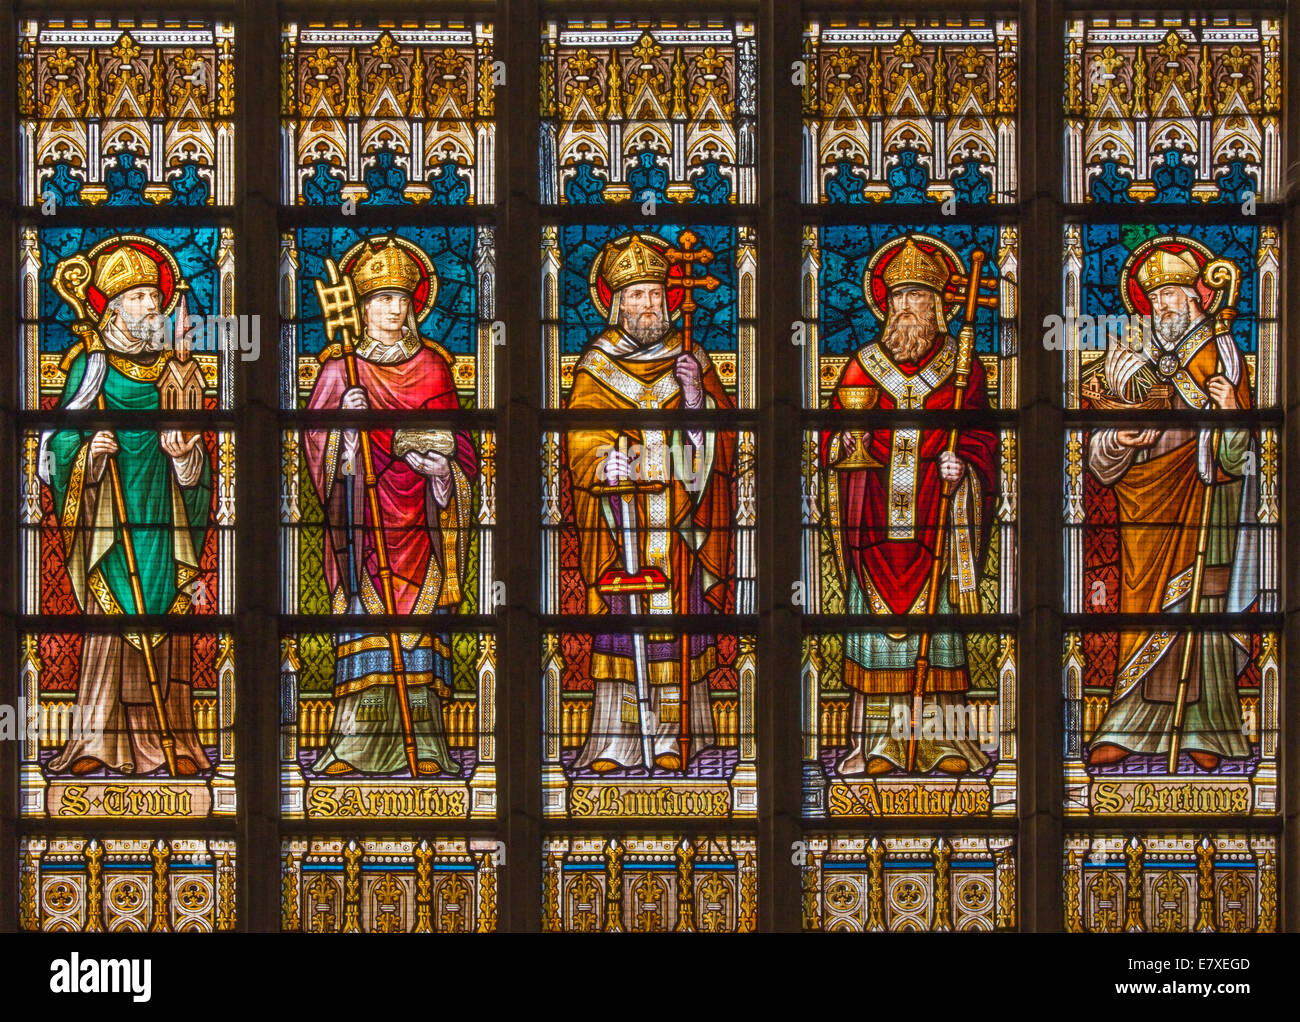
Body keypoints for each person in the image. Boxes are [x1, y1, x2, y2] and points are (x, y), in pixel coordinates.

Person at [823, 238, 998, 776]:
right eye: (897, 297)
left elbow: (984, 440)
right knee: (875, 633)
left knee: (937, 630)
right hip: (873, 521)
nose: (906, 308)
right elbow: (831, 435)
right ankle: (876, 744)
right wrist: (842, 448)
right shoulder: (863, 365)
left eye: (918, 297)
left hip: (937, 521)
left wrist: (964, 467)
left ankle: (942, 744)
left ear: (939, 305)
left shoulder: (961, 367)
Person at [303, 237, 477, 776]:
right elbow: (313, 457)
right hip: (362, 523)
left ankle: (424, 746)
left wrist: (443, 470)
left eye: (401, 298)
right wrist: (344, 432)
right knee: (364, 622)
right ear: (360, 306)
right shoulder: (340, 371)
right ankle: (354, 747)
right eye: (380, 299)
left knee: (419, 631)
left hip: (421, 519)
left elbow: (465, 451)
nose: (393, 309)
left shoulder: (433, 368)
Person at [566, 233, 737, 773]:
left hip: (680, 516)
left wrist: (694, 399)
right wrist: (600, 464)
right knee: (622, 627)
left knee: (678, 623)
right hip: (622, 522)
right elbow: (578, 439)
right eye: (636, 295)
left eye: (655, 294)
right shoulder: (597, 365)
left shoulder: (691, 358)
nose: (648, 305)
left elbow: (725, 442)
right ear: (616, 303)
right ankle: (617, 742)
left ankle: (676, 737)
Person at [43, 239, 212, 776]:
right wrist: (88, 453)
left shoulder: (174, 372)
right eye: (137, 297)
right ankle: (97, 742)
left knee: (167, 623)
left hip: (166, 521)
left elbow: (201, 463)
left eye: (151, 297)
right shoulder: (92, 370)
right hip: (108, 525)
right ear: (113, 307)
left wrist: (187, 462)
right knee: (110, 629)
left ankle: (173, 743)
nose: (150, 307)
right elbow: (56, 448)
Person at [1086, 244, 1254, 770]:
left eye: (1171, 294)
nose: (1162, 305)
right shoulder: (1131, 354)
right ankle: (1128, 726)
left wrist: (1229, 412)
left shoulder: (1221, 351)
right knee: (1142, 610)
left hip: (1206, 493)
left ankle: (1209, 730)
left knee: (1201, 601)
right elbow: (1096, 452)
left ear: (1195, 296)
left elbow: (1246, 451)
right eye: (1154, 296)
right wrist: (1121, 440)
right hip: (1142, 501)